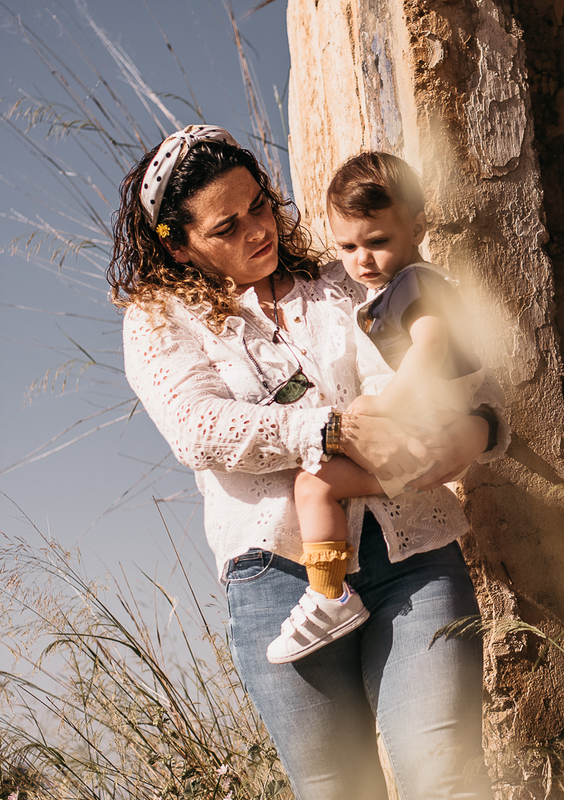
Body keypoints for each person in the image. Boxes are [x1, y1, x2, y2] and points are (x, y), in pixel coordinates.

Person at [108, 125, 504, 800]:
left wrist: (477, 432)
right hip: (278, 584)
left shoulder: (343, 280)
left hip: (413, 554)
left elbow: (473, 375)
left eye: (259, 205)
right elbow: (198, 429)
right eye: (227, 226)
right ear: (179, 243)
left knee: (444, 773)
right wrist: (330, 429)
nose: (258, 230)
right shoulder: (158, 320)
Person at [271, 152, 486, 664]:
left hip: (420, 425)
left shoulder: (416, 283)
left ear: (417, 227)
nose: (360, 260)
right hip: (424, 424)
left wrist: (385, 405)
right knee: (319, 482)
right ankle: (331, 592)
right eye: (347, 246)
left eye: (377, 242)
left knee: (315, 483)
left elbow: (431, 347)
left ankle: (329, 595)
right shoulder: (392, 287)